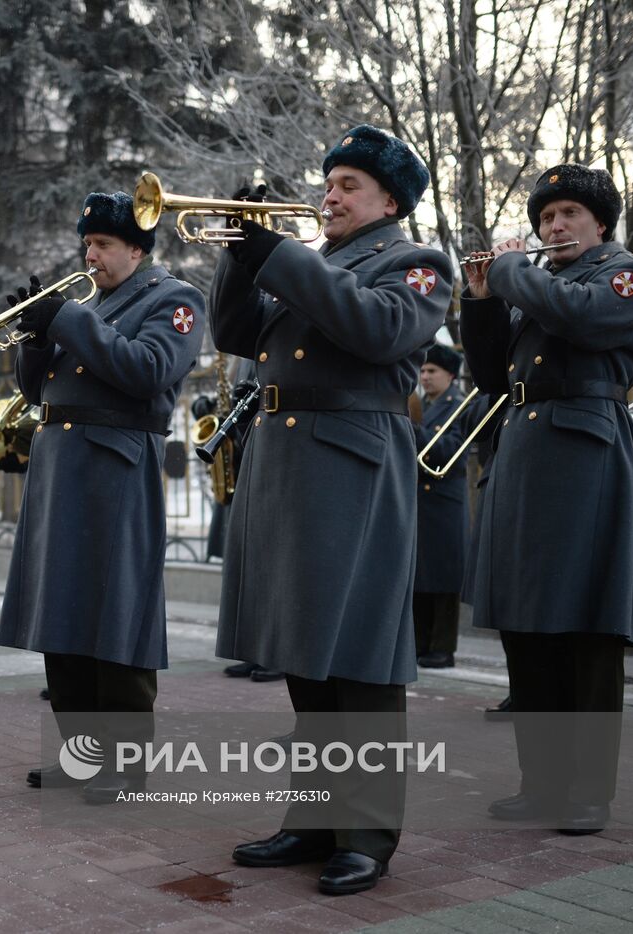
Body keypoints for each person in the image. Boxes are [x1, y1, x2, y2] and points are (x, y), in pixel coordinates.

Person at [213, 125, 450, 895]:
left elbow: (379, 329)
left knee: (361, 658)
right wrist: (237, 254)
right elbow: (234, 332)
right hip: (289, 459)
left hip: (353, 461)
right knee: (307, 656)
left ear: (390, 200)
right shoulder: (312, 264)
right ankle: (314, 820)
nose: (330, 194)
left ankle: (367, 836)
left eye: (349, 185)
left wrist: (275, 256)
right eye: (330, 182)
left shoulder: (414, 264)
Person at [460, 163, 633, 835]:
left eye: (569, 213)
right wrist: (484, 300)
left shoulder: (627, 273)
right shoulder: (533, 287)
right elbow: (490, 375)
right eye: (547, 217)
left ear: (600, 223)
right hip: (524, 452)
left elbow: (584, 319)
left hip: (587, 452)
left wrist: (516, 274)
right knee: (527, 624)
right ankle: (540, 784)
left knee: (585, 627)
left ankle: (587, 791)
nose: (555, 225)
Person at [0, 190, 205, 804]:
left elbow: (146, 370)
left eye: (103, 245)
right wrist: (35, 336)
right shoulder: (89, 302)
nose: (90, 256)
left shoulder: (173, 299)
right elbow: (39, 388)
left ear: (137, 249)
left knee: (118, 616)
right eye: (86, 244)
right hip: (61, 464)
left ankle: (127, 765)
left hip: (116, 466)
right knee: (62, 614)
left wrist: (64, 320)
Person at [194, 355, 282, 682]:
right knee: (250, 565)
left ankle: (277, 653)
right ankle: (254, 649)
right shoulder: (241, 355)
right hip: (245, 450)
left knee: (273, 566)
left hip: (270, 451)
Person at [412, 344, 470, 668]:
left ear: (449, 375)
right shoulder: (419, 405)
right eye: (422, 371)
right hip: (420, 500)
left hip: (444, 500)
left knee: (444, 578)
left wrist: (418, 432)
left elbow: (451, 450)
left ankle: (443, 647)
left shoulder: (458, 406)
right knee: (420, 575)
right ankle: (421, 642)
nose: (425, 377)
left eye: (432, 371)